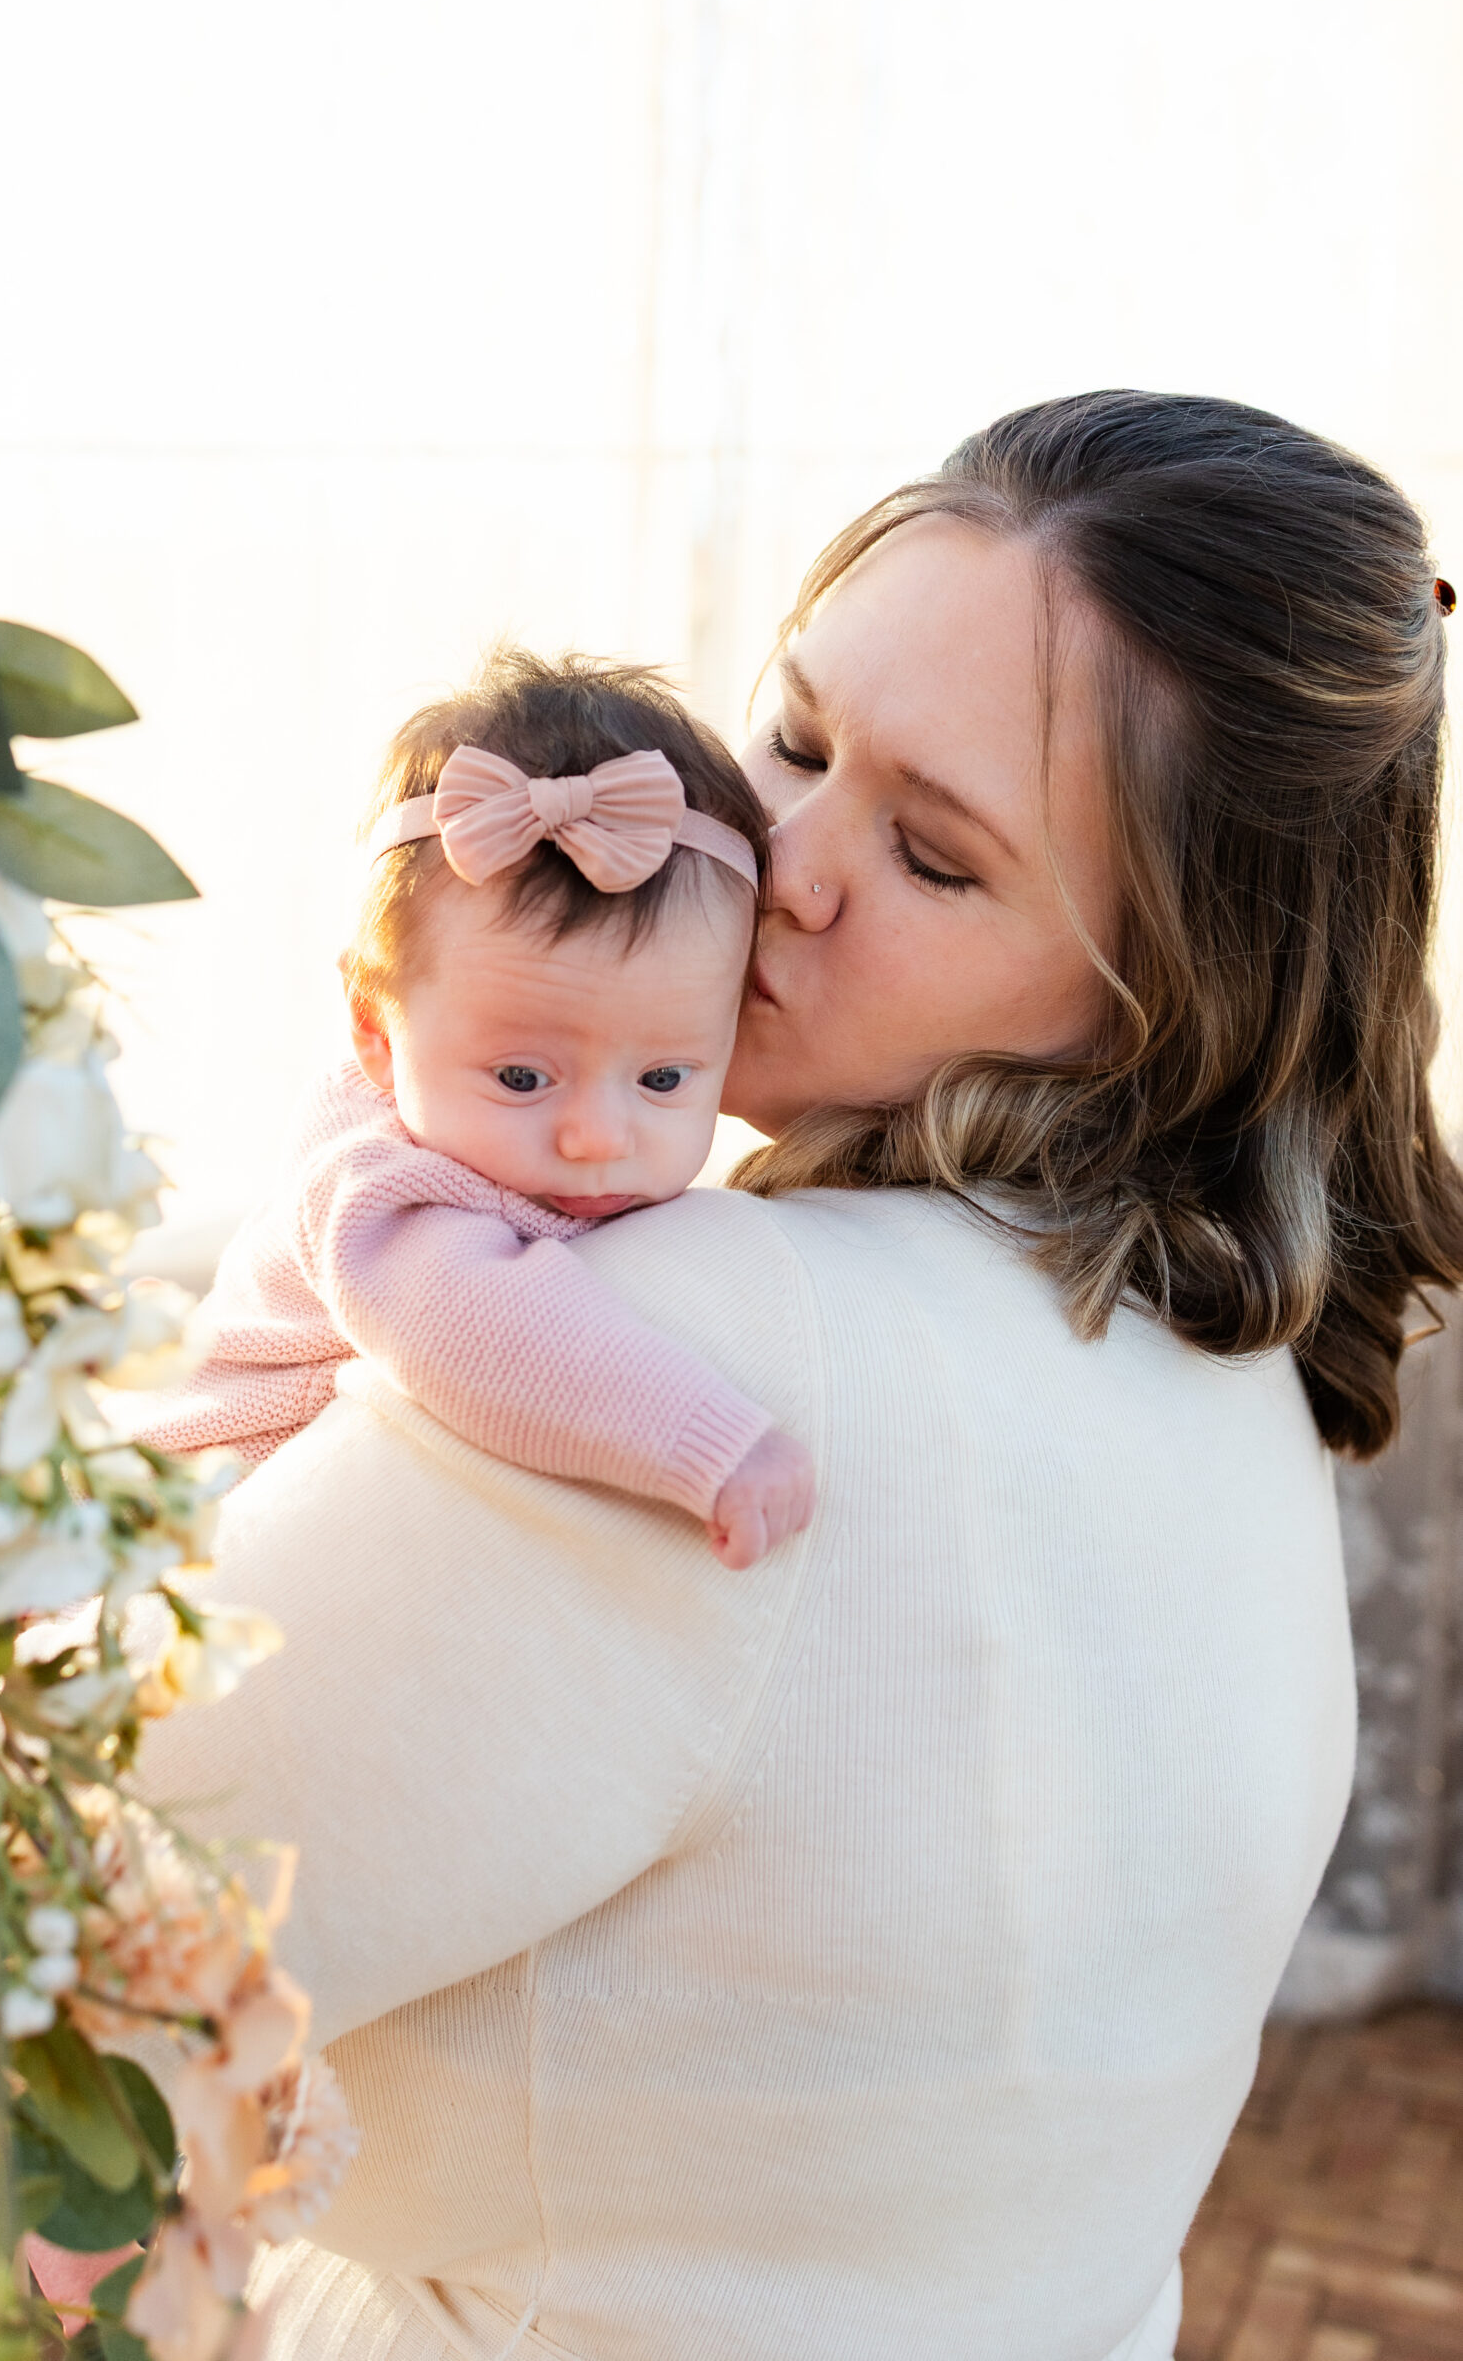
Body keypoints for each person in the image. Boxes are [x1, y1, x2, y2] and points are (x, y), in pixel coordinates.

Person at [139, 392, 1463, 2361]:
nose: (782, 859)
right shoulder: (1233, 1376)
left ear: (1161, 989)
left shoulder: (698, 1342)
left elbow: (53, 1900)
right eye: (794, 738)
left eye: (933, 854)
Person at [142, 651, 811, 1570]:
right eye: (523, 1080)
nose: (596, 1139)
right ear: (376, 1030)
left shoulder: (472, 1121)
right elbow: (484, 1332)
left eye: (662, 1079)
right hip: (156, 1533)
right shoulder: (377, 1192)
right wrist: (711, 1444)